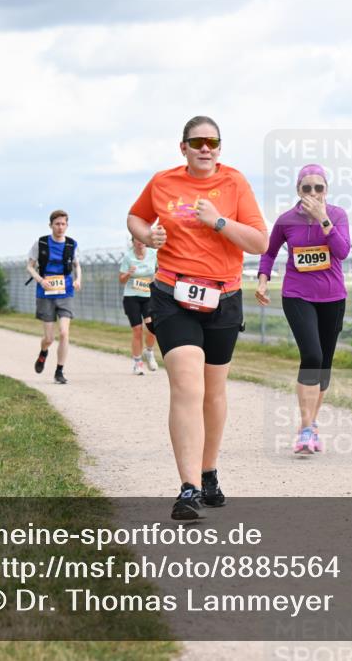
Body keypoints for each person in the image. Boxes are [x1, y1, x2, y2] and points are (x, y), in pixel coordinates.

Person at [128, 115, 267, 520]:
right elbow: (135, 217)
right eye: (197, 142)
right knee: (187, 384)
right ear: (183, 147)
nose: (206, 148)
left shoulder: (235, 183)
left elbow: (259, 242)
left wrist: (219, 222)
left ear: (219, 148)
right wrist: (146, 235)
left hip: (223, 297)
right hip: (172, 293)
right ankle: (187, 488)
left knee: (213, 391)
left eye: (213, 141)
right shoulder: (163, 182)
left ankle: (209, 472)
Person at [257, 164, 350, 455]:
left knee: (324, 363)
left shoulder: (337, 215)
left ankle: (309, 426)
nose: (312, 193)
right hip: (297, 295)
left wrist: (323, 219)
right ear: (298, 190)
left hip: (332, 297)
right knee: (311, 355)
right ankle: (307, 428)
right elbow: (269, 252)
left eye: (318, 188)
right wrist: (263, 280)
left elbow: (342, 251)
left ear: (326, 190)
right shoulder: (286, 221)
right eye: (306, 188)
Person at [27, 210, 82, 384]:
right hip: (45, 292)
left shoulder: (72, 244)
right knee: (49, 338)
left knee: (64, 333)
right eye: (57, 224)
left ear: (67, 225)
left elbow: (77, 265)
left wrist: (78, 279)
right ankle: (43, 352)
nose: (60, 227)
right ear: (51, 225)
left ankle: (59, 371)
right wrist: (40, 280)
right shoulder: (41, 243)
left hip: (65, 291)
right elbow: (29, 266)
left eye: (63, 224)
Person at [119, 236, 159, 375]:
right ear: (133, 241)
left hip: (149, 296)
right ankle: (137, 362)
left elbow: (160, 270)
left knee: (151, 328)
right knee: (137, 329)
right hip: (132, 296)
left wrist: (156, 276)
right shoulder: (128, 257)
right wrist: (129, 273)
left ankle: (149, 352)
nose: (140, 241)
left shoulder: (153, 254)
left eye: (142, 238)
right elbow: (121, 280)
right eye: (137, 239)